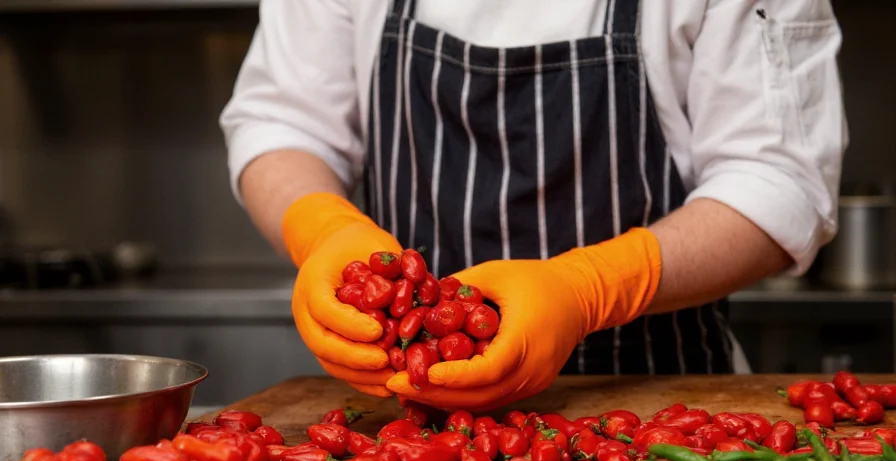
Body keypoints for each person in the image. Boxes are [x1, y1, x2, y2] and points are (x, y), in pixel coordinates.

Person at [220, 0, 846, 410]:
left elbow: (777, 180)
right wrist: (321, 228)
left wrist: (593, 288)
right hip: (409, 411)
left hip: (655, 399)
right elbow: (282, 126)